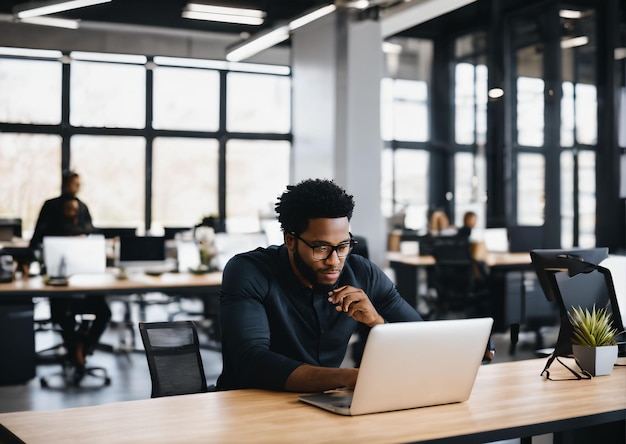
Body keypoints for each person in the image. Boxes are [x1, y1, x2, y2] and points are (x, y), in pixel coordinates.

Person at [217, 178, 422, 392]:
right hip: (248, 407)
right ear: (291, 241)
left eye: (343, 246)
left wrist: (377, 323)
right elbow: (252, 362)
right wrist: (350, 377)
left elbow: (422, 340)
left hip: (323, 404)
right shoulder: (249, 271)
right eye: (321, 248)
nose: (334, 261)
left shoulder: (363, 273)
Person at [30, 171, 111, 372]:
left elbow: (91, 231)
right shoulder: (50, 206)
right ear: (66, 184)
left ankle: (84, 349)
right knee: (62, 313)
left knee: (104, 312)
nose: (76, 187)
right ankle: (74, 349)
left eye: (78, 184)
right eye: (73, 183)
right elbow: (37, 237)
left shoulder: (82, 207)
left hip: (86, 274)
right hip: (59, 275)